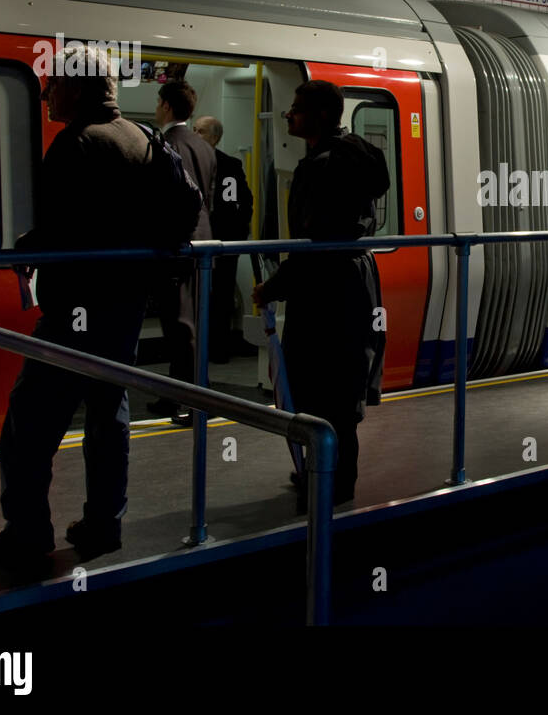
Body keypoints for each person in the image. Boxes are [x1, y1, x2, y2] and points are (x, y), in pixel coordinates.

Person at [0, 48, 156, 567]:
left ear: (76, 89)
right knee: (107, 417)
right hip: (125, 306)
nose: (48, 93)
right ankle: (104, 524)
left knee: (28, 425)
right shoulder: (140, 139)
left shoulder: (75, 143)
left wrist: (25, 249)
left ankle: (27, 534)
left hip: (77, 311)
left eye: (52, 85)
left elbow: (65, 231)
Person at [252, 80, 388, 508]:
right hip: (353, 285)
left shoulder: (320, 168)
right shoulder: (358, 157)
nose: (289, 115)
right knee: (341, 389)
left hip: (323, 292)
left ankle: (329, 484)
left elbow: (315, 248)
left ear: (322, 115)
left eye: (297, 108)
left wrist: (272, 287)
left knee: (315, 387)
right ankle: (328, 475)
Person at [147, 81, 215, 424]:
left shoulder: (165, 145)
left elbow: (164, 201)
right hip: (203, 241)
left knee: (178, 326)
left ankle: (187, 399)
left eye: (159, 103)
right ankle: (183, 394)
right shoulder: (204, 147)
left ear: (167, 107)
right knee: (191, 323)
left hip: (178, 245)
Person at [193, 115, 255, 362]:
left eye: (201, 132)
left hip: (222, 243)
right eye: (194, 130)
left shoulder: (229, 167)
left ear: (215, 138)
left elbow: (240, 204)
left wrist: (233, 236)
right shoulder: (187, 163)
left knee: (221, 296)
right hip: (195, 243)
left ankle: (217, 348)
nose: (195, 136)